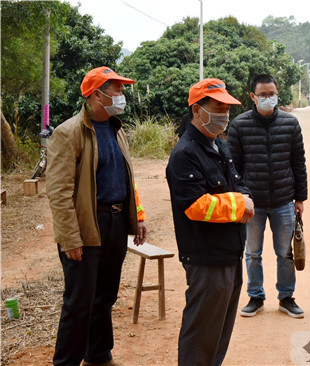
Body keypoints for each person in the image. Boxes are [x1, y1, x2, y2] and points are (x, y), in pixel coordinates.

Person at [46, 66, 147, 366]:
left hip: (115, 223)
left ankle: (99, 354)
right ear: (94, 95)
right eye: (115, 89)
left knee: (105, 296)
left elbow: (127, 178)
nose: (121, 95)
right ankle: (66, 362)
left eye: (121, 89)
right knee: (80, 302)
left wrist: (137, 216)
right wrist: (69, 237)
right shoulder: (68, 133)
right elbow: (59, 192)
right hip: (87, 225)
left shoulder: (117, 129)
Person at [166, 78, 255, 366]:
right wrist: (241, 204)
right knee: (202, 332)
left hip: (229, 250)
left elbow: (238, 183)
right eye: (218, 108)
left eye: (227, 109)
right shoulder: (185, 154)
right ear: (197, 110)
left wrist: (243, 197)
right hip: (206, 257)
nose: (224, 115)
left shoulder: (219, 146)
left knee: (219, 330)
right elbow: (195, 206)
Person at [227, 74, 308, 318]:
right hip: (253, 204)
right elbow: (233, 168)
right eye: (262, 95)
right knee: (252, 253)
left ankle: (286, 297)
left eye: (271, 94)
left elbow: (298, 163)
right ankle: (256, 296)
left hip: (284, 201)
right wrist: (241, 198)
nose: (267, 98)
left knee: (285, 253)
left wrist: (300, 199)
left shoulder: (290, 124)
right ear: (252, 96)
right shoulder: (239, 125)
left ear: (277, 93)